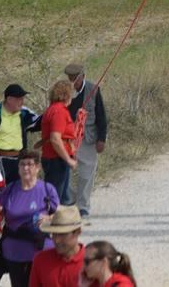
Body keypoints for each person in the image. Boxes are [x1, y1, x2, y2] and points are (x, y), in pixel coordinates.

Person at [0, 151, 59, 287]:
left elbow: (60, 215)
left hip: (41, 251)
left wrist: (48, 218)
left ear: (38, 167)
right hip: (15, 252)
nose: (26, 168)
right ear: (18, 168)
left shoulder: (47, 189)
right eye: (22, 164)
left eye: (30, 164)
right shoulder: (10, 190)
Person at [64, 64, 107, 220]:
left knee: (86, 174)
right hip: (68, 137)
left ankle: (83, 206)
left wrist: (102, 138)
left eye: (75, 79)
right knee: (64, 172)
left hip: (88, 137)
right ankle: (70, 199)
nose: (72, 82)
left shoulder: (93, 89)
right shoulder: (64, 90)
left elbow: (101, 114)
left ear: (82, 76)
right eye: (70, 79)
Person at [0, 85, 43, 186]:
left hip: (19, 160)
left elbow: (39, 122)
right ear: (9, 99)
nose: (22, 102)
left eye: (22, 98)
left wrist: (54, 110)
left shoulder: (24, 112)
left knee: (18, 192)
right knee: (0, 193)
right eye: (19, 99)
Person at [39, 81, 77, 205]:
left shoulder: (54, 109)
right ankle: (50, 221)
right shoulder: (59, 111)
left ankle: (61, 219)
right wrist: (68, 159)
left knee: (61, 196)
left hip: (54, 157)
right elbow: (55, 138)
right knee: (54, 197)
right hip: (56, 158)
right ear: (67, 95)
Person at [27, 207, 84, 287]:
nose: (56, 240)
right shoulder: (40, 260)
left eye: (62, 234)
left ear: (77, 232)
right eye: (53, 234)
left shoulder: (93, 263)